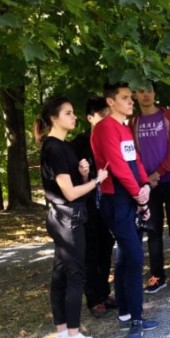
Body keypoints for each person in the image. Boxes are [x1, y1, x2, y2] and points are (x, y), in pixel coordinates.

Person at [36, 96, 108, 338]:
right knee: (75, 276)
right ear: (54, 118)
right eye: (68, 113)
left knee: (60, 276)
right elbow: (69, 192)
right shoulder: (55, 148)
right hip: (68, 218)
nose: (74, 116)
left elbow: (72, 185)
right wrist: (98, 180)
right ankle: (74, 337)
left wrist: (85, 174)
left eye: (73, 112)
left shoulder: (59, 147)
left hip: (62, 217)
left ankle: (64, 335)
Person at [91, 82, 157, 338]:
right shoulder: (105, 128)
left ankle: (126, 310)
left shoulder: (124, 128)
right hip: (116, 199)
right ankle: (136, 318)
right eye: (125, 98)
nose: (132, 101)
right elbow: (117, 167)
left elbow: (135, 162)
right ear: (110, 102)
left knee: (126, 255)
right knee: (134, 255)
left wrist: (144, 188)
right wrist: (136, 192)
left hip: (130, 196)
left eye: (131, 98)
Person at [131, 83, 170, 294]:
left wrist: (157, 174)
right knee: (153, 232)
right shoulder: (133, 122)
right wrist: (145, 179)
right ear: (135, 95)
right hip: (148, 187)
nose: (146, 94)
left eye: (149, 90)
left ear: (155, 93)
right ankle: (157, 276)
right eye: (141, 91)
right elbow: (132, 155)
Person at [70, 97, 116, 317]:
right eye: (102, 115)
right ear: (90, 118)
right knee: (91, 253)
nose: (107, 119)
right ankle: (94, 299)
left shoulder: (113, 139)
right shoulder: (79, 143)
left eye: (109, 114)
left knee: (106, 249)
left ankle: (105, 293)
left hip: (109, 203)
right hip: (88, 205)